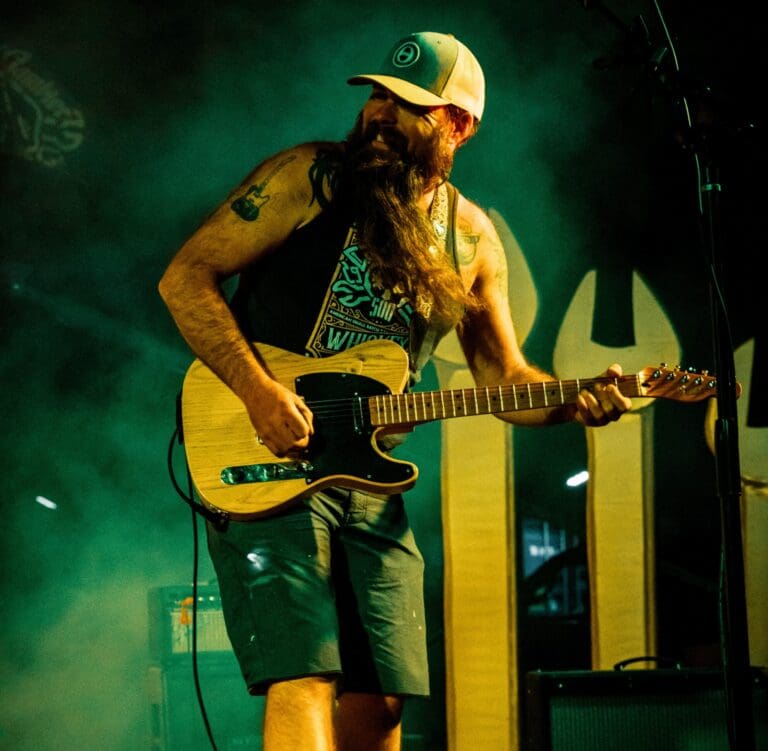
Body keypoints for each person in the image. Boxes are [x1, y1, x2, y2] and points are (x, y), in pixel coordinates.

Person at [159, 31, 631, 751]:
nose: (379, 112)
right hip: (265, 456)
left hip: (367, 476)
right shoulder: (309, 178)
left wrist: (576, 399)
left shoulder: (471, 239)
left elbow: (505, 379)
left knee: (382, 694)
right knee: (304, 673)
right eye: (378, 94)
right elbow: (184, 277)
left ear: (458, 125)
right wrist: (257, 392)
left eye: (407, 103)